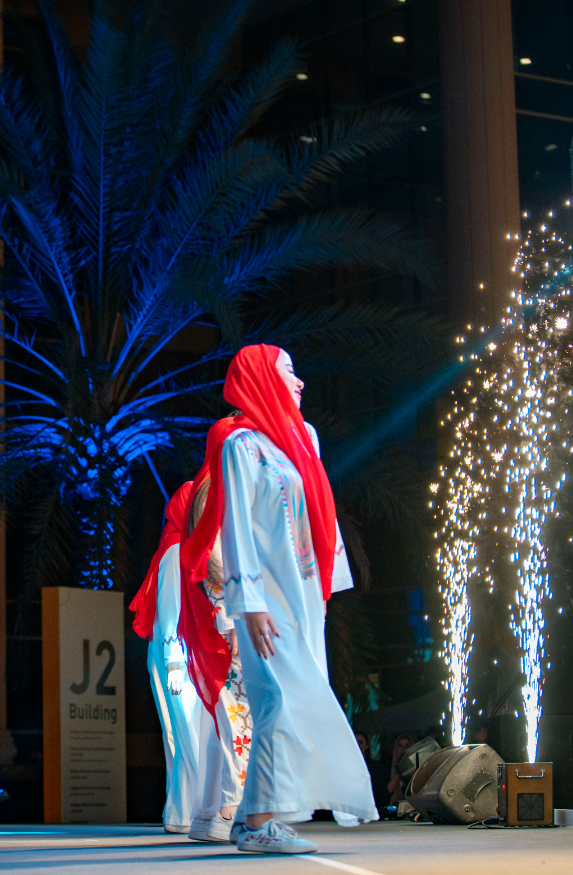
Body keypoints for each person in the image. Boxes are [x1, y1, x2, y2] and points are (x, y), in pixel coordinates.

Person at [180, 344, 377, 855]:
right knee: (275, 701)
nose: (300, 382)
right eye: (289, 371)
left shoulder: (301, 438)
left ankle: (253, 818)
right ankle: (260, 824)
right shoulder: (239, 445)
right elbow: (236, 528)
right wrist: (248, 602)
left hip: (302, 593)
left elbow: (320, 512)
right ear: (262, 377)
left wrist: (325, 589)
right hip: (263, 598)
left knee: (300, 697)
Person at [177, 475, 251, 844]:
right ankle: (229, 811)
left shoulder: (208, 489)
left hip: (220, 624)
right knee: (239, 721)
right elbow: (217, 563)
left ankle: (207, 814)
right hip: (228, 627)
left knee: (221, 725)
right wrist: (233, 620)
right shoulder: (216, 487)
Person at [128, 482, 203, 834]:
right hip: (177, 656)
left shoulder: (174, 549)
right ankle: (196, 809)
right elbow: (171, 609)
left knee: (179, 733)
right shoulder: (175, 551)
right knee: (186, 732)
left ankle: (181, 812)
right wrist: (175, 660)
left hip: (174, 654)